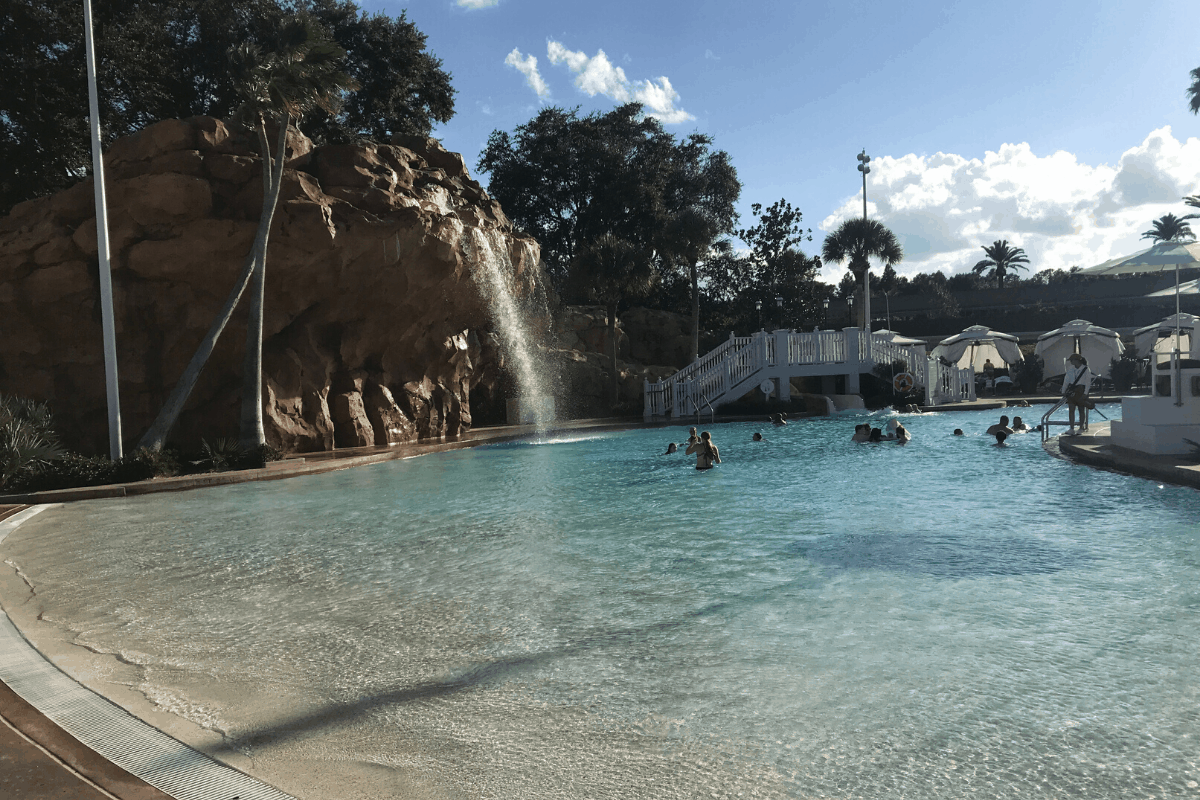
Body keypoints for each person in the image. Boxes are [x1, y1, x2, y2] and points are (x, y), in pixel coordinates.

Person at [1062, 353, 1092, 434]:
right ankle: (1071, 428)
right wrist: (1063, 391)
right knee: (1071, 409)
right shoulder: (1070, 369)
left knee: (1081, 409)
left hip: (1081, 390)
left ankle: (1081, 427)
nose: (1071, 362)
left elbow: (1088, 382)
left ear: (1076, 360)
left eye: (1072, 360)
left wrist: (1085, 393)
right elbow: (1066, 380)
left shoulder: (1086, 369)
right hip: (1072, 390)